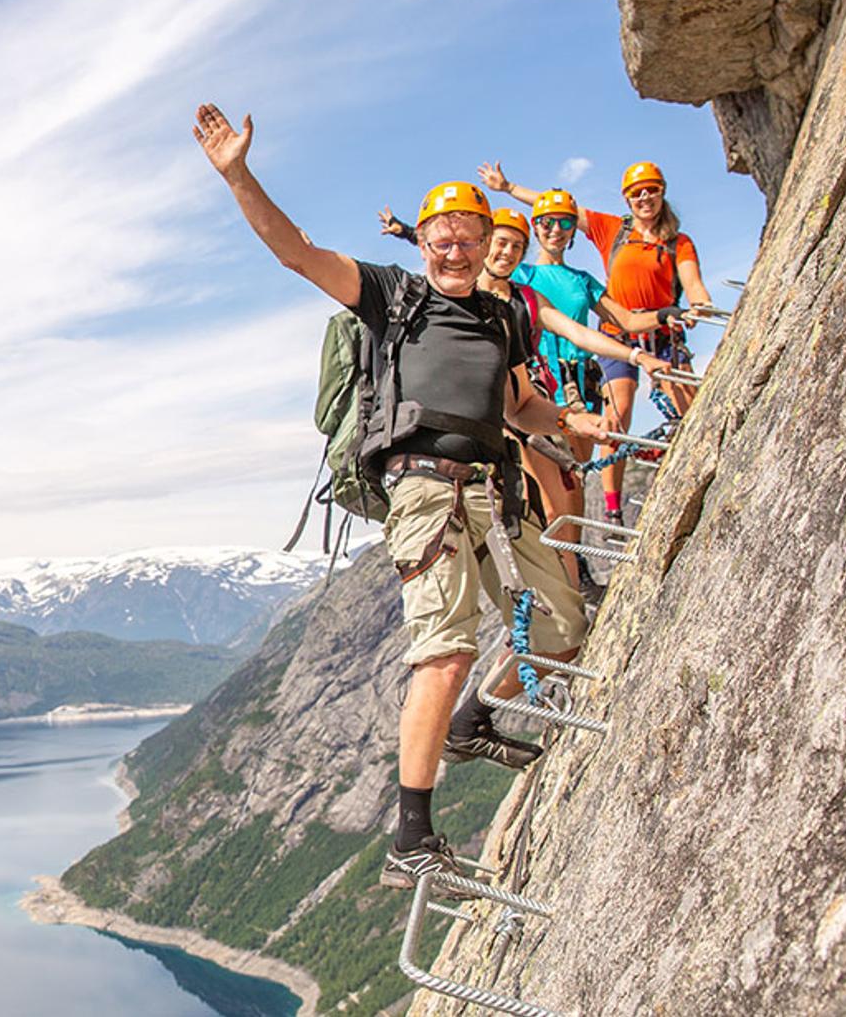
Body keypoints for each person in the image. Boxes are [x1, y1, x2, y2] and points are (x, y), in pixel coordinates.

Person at [193, 103, 601, 892]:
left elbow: (519, 408)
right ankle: (412, 838)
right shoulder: (392, 297)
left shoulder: (500, 319)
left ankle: (475, 721)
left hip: (494, 490)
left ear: (486, 246)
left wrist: (580, 424)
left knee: (564, 628)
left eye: (467, 237)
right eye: (440, 236)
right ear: (421, 243)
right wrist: (239, 175)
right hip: (424, 493)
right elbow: (296, 253)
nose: (454, 246)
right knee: (443, 652)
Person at [479, 160, 712, 523]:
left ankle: (579, 563)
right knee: (554, 495)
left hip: (580, 383)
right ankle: (576, 544)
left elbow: (629, 317)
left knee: (576, 477)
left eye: (565, 224)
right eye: (546, 224)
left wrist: (671, 313)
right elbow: (479, 266)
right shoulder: (520, 274)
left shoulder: (585, 279)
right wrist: (507, 190)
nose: (556, 230)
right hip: (536, 386)